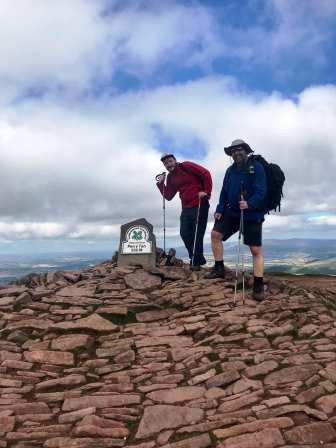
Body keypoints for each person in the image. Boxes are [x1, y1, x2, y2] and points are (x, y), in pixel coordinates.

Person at [205, 139, 267, 301]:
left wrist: (249, 203)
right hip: (232, 212)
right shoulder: (230, 171)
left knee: (255, 251)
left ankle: (258, 285)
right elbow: (224, 192)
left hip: (252, 215)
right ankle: (219, 268)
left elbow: (261, 191)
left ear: (246, 151)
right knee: (215, 234)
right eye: (233, 151)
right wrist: (219, 209)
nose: (236, 153)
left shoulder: (257, 168)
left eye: (239, 150)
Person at [156, 153, 212, 271]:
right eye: (166, 163)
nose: (169, 164)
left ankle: (195, 261)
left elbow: (205, 173)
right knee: (185, 233)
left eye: (170, 161)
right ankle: (197, 258)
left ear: (175, 160)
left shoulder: (186, 166)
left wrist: (206, 192)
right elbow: (169, 195)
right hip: (186, 207)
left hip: (200, 203)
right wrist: (161, 184)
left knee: (197, 233)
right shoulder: (171, 177)